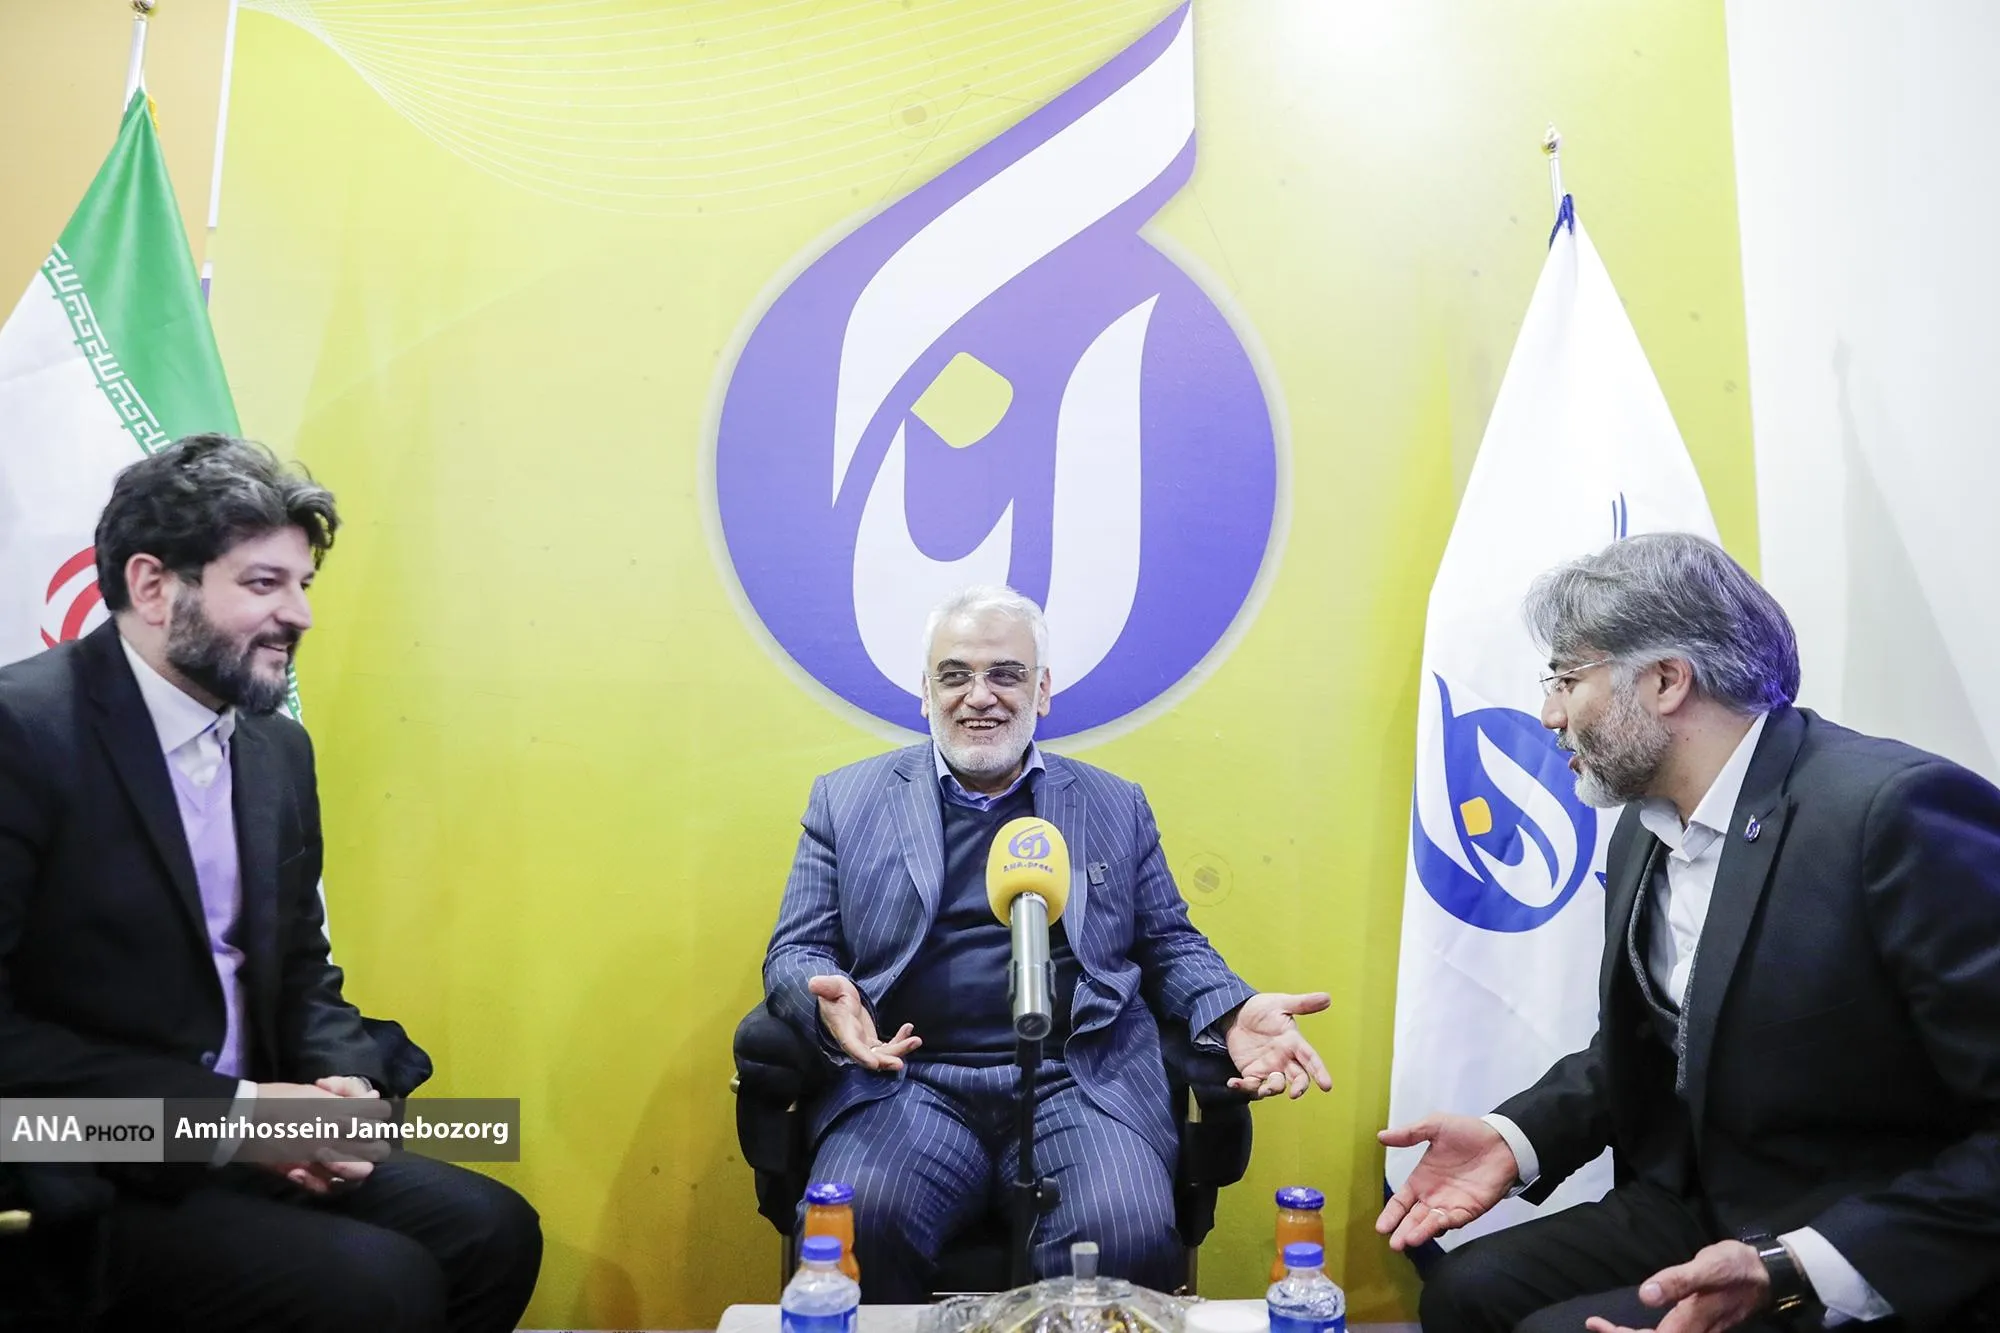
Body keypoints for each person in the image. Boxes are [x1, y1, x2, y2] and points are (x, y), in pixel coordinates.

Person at [1376, 533, 2000, 1333]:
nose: (1550, 714)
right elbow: (1658, 1045)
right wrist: (1514, 1138)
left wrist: (1799, 1264)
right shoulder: (1644, 829)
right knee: (1468, 1291)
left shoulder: (1892, 814)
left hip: (1854, 1240)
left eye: (1568, 678)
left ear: (1668, 679)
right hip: (1700, 1207)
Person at [0, 435, 541, 1332]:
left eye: (303, 584)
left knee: (492, 1231)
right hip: (77, 1155)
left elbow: (298, 964)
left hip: (245, 1132)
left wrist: (339, 1081)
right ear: (152, 586)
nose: (300, 614)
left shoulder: (275, 747)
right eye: (263, 583)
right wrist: (237, 1116)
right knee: (381, 1286)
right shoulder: (23, 732)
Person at [763, 584, 1332, 1299]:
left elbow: (1169, 944)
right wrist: (824, 998)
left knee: (1122, 1233)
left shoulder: (1113, 803)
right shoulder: (846, 800)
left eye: (1006, 674)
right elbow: (795, 952)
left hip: (1078, 1081)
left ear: (1042, 691)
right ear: (925, 693)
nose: (979, 696)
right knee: (860, 1222)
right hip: (908, 1082)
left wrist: (1230, 1009)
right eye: (954, 675)